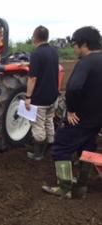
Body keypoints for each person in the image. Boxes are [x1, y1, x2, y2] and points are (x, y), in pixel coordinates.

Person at [42, 26, 102, 199]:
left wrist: (72, 109)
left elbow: (74, 87)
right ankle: (81, 187)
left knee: (61, 147)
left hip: (80, 118)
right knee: (87, 147)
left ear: (84, 44)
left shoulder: (86, 62)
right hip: (97, 119)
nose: (74, 48)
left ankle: (65, 188)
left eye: (75, 45)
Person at [25, 26, 59, 160]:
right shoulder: (54, 52)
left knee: (38, 125)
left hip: (40, 98)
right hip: (52, 96)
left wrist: (28, 97)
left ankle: (38, 154)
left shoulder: (37, 54)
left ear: (35, 38)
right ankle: (50, 146)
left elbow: (33, 78)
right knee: (49, 121)